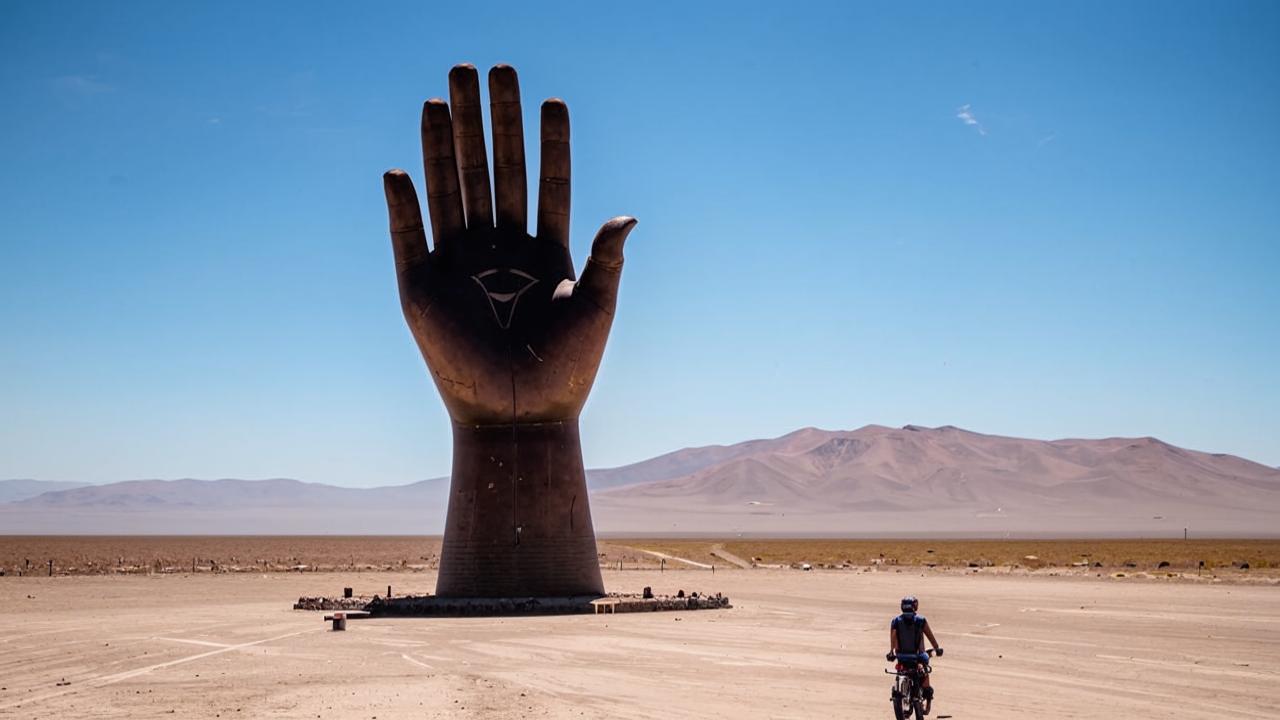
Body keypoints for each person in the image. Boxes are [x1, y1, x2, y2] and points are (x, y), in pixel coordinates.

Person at [886, 596, 943, 702]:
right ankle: (927, 693)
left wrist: (891, 652)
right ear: (915, 606)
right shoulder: (920, 620)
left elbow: (893, 638)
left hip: (901, 656)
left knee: (901, 670)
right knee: (925, 666)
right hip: (918, 656)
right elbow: (930, 636)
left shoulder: (896, 621)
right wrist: (937, 648)